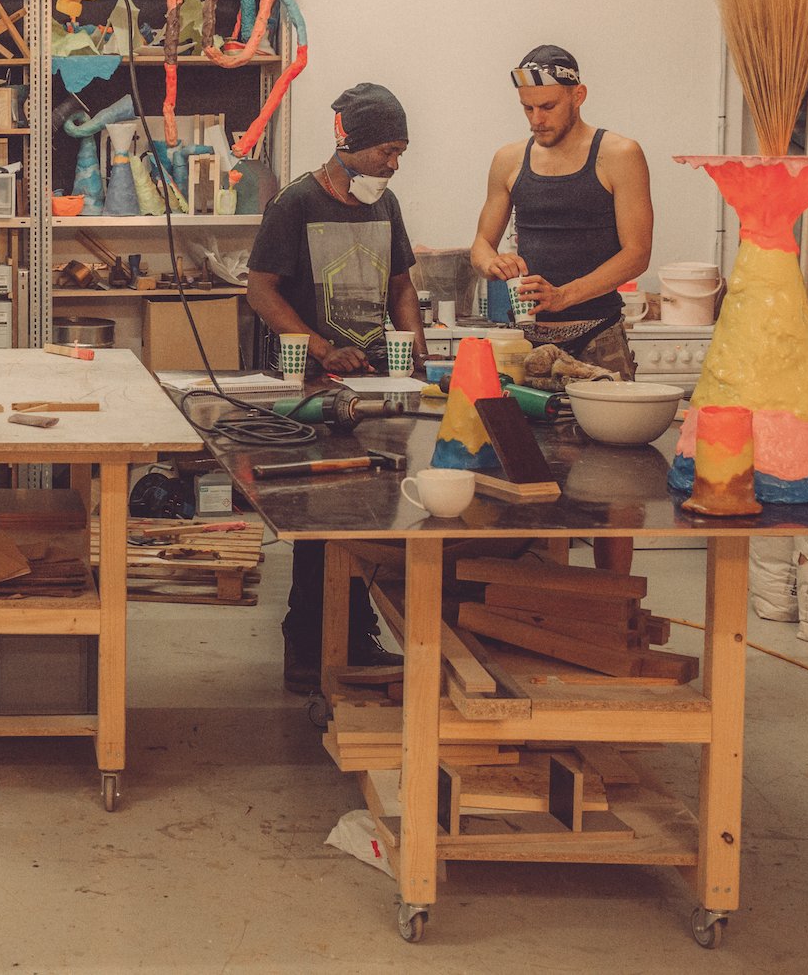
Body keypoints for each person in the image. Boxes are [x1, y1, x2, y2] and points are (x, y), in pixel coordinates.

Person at [248, 83, 425, 693]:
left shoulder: (387, 205)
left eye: (401, 152)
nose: (393, 164)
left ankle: (352, 636)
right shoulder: (295, 205)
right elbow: (261, 290)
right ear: (350, 143)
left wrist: (416, 350)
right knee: (325, 517)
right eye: (387, 151)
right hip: (316, 388)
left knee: (372, 514)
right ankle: (310, 645)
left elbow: (402, 285)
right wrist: (323, 348)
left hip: (376, 381)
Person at [470, 44, 653, 574]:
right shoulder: (510, 159)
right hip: (529, 348)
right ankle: (547, 597)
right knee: (529, 477)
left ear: (579, 94)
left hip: (599, 338)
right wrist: (494, 262)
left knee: (616, 482)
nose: (537, 119)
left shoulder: (619, 153)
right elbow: (481, 244)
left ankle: (614, 599)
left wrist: (565, 295)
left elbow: (637, 251)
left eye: (547, 106)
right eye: (527, 108)